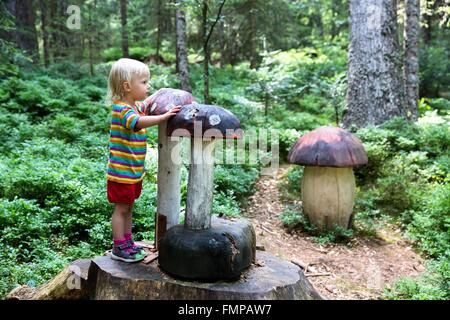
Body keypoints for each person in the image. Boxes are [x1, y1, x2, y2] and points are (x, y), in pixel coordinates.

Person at [106, 58, 181, 262]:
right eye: (144, 83)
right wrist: (163, 117)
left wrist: (162, 94)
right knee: (121, 208)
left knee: (128, 207)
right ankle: (118, 247)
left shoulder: (136, 106)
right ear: (127, 86)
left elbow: (144, 107)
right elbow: (138, 122)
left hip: (133, 173)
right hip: (121, 174)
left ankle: (127, 241)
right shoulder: (121, 110)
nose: (148, 87)